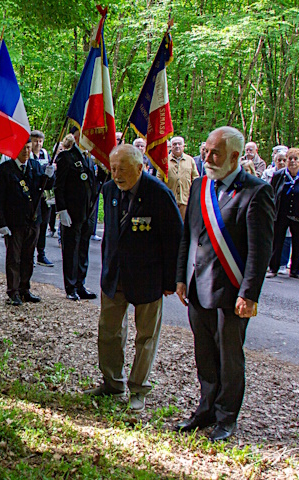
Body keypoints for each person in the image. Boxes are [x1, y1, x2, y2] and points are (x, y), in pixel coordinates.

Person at [174, 126, 274, 442]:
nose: (207, 157)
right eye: (205, 150)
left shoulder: (256, 191)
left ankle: (226, 417)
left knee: (230, 357)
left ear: (234, 156)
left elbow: (261, 250)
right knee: (204, 353)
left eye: (215, 152)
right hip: (197, 288)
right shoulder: (201, 184)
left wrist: (250, 294)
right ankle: (206, 409)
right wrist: (180, 277)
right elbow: (187, 237)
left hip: (231, 292)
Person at [86, 144, 183, 412]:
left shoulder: (159, 193)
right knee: (109, 332)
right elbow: (111, 237)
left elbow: (174, 239)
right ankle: (112, 382)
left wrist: (169, 281)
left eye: (123, 169)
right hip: (115, 276)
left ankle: (138, 388)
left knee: (146, 336)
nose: (117, 175)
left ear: (140, 168)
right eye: (113, 168)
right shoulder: (109, 190)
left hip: (148, 278)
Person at [0, 137, 55, 305]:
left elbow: (45, 186)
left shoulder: (35, 166)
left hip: (33, 220)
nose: (26, 151)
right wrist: (2, 224)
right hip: (14, 222)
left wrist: (50, 176)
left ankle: (24, 289)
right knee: (14, 257)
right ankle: (13, 291)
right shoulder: (5, 170)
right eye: (23, 148)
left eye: (28, 148)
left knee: (28, 257)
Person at [54, 133, 99, 301]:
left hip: (88, 212)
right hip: (72, 212)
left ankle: (80, 284)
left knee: (83, 250)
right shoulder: (66, 156)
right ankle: (70, 286)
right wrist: (62, 209)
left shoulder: (89, 158)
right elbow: (59, 186)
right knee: (71, 250)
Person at [267, 148, 299, 279]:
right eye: (290, 159)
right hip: (281, 214)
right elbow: (272, 193)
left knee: (298, 243)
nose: (292, 162)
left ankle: (295, 270)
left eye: (296, 159)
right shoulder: (278, 175)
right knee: (277, 242)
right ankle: (273, 268)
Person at [157, 136, 199, 219]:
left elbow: (196, 179)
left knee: (185, 225)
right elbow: (158, 180)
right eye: (174, 144)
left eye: (179, 144)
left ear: (183, 146)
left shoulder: (190, 160)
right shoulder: (164, 161)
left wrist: (194, 195)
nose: (177, 146)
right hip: (169, 201)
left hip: (186, 200)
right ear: (171, 146)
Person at [31, 130, 55, 267]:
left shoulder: (45, 154)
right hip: (33, 196)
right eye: (35, 141)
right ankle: (31, 254)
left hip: (45, 197)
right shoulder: (28, 155)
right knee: (34, 226)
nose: (38, 144)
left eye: (40, 141)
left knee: (44, 225)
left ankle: (41, 253)